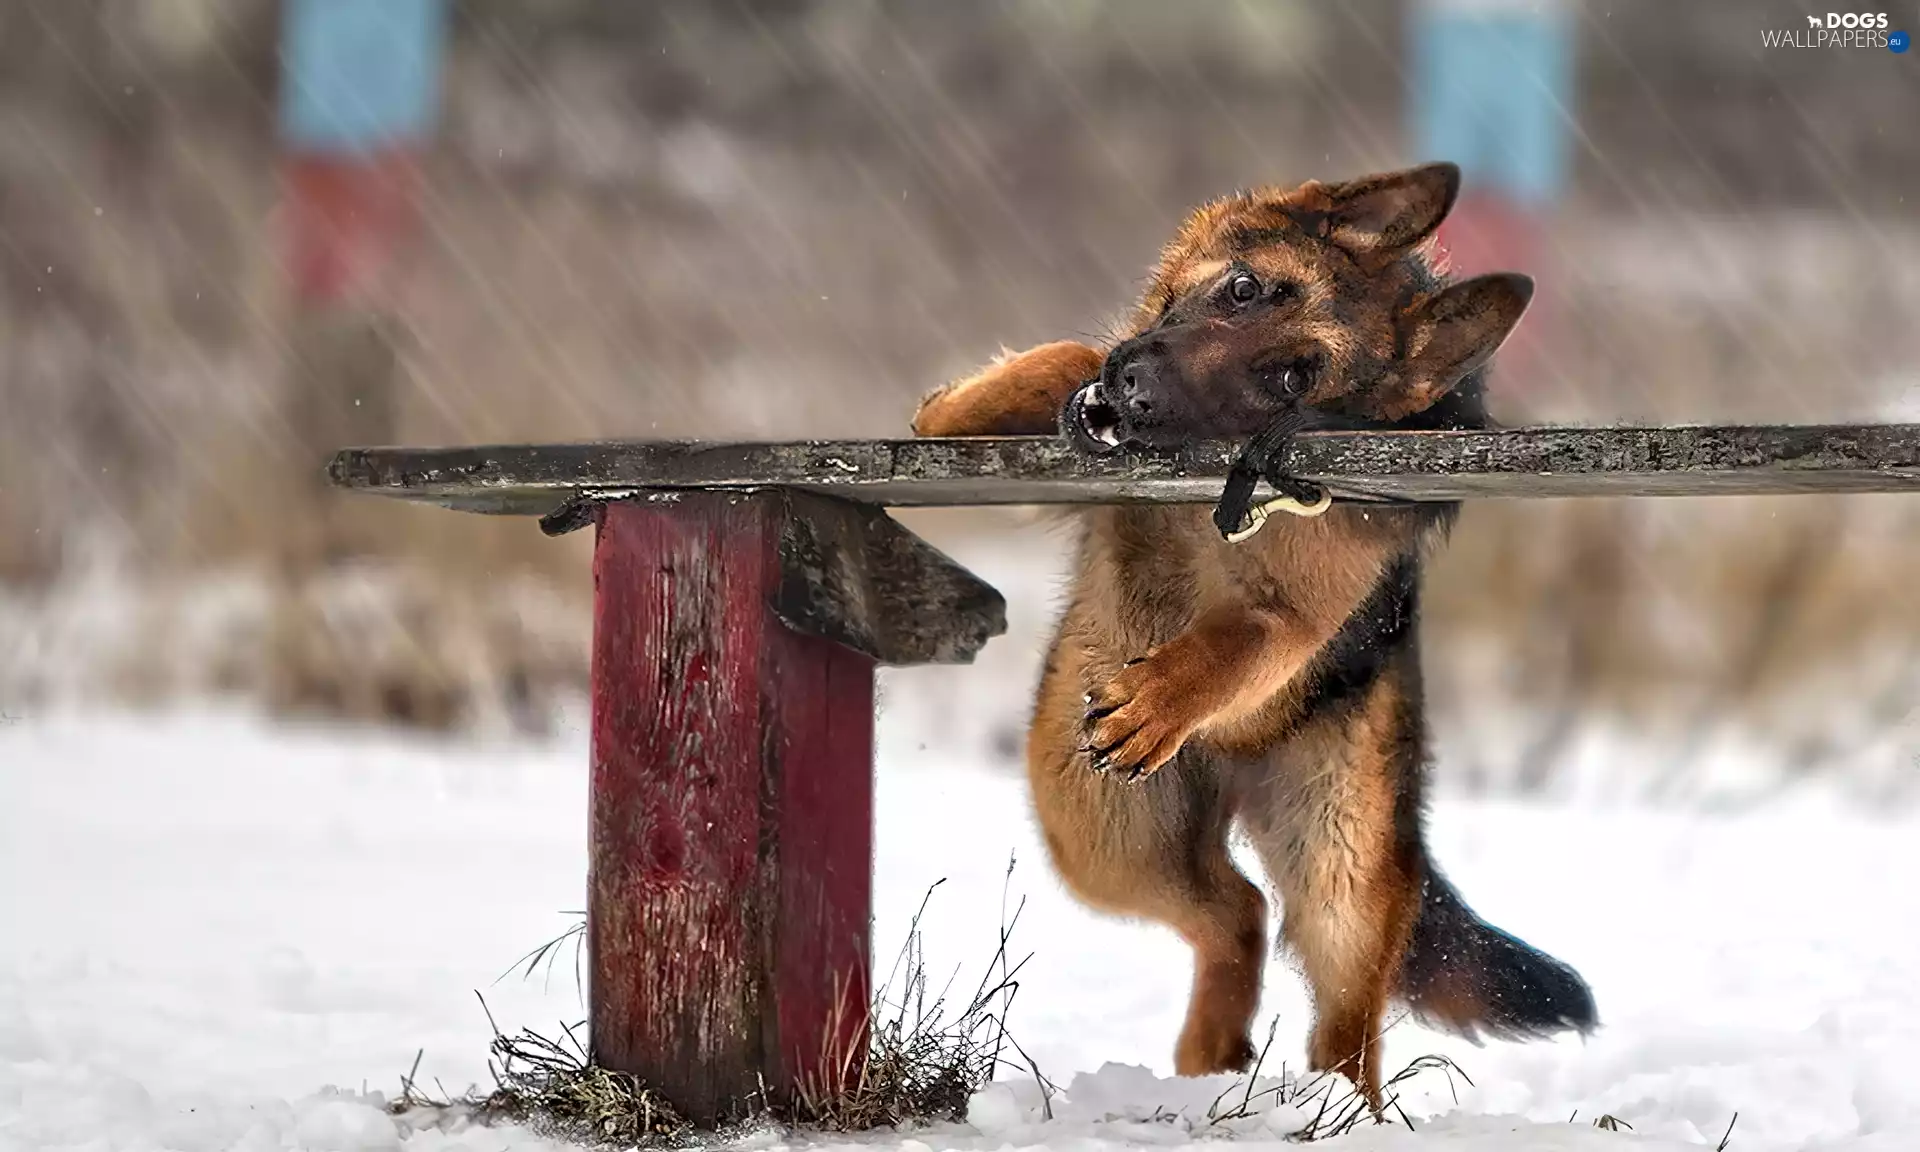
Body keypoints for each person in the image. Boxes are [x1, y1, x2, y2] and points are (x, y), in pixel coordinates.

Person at [1409, 0, 1576, 412]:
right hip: (1453, 24)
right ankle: (1451, 372)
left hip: (1535, 26)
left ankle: (1517, 379)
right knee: (1452, 205)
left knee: (1523, 205)